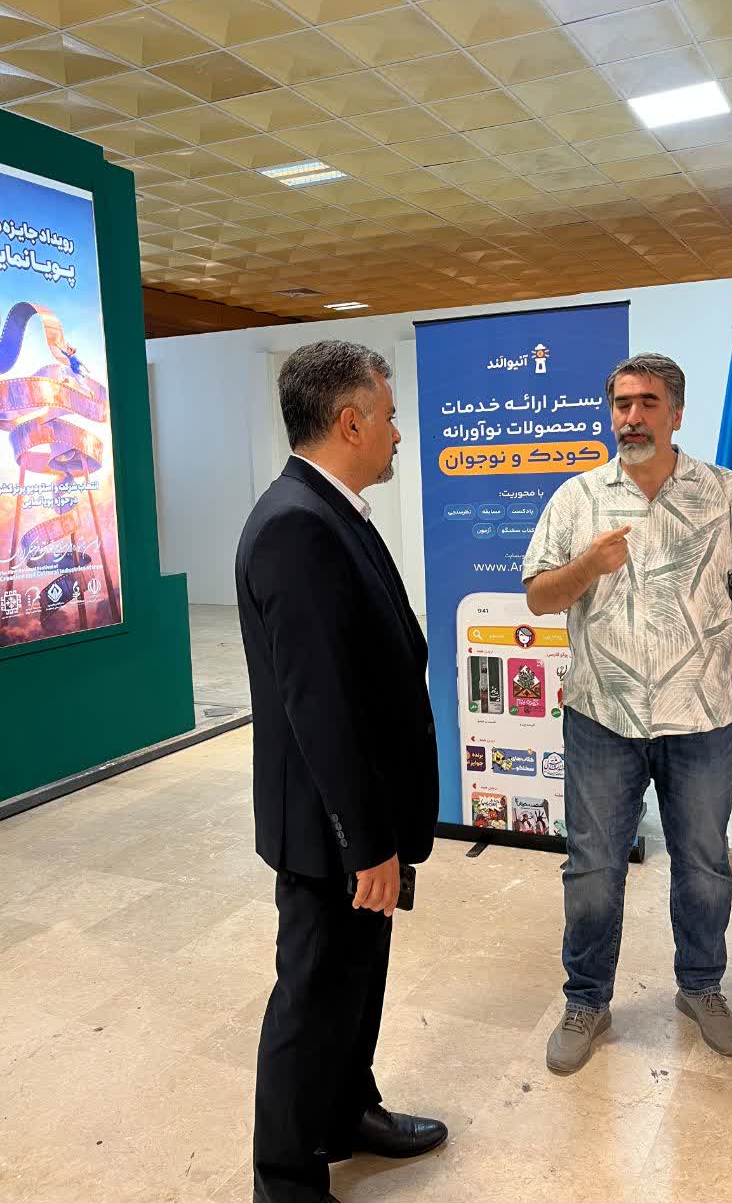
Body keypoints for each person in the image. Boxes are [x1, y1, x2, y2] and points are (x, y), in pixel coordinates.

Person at [522, 353, 732, 1071]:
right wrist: (587, 566)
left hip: (701, 718)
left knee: (703, 864)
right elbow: (539, 597)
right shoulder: (577, 497)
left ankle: (701, 988)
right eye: (621, 404)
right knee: (592, 867)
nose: (631, 418)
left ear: (676, 413)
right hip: (601, 718)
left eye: (647, 404)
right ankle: (587, 1000)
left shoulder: (724, 493)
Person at [236, 340, 447, 1203]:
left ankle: (346, 1113)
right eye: (389, 417)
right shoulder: (296, 525)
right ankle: (287, 1179)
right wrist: (366, 843)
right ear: (350, 422)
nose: (399, 433)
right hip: (332, 828)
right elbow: (317, 705)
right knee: (314, 994)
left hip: (363, 816)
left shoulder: (331, 509)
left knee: (357, 980)